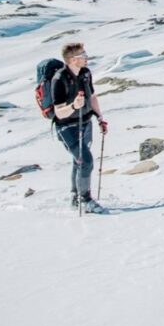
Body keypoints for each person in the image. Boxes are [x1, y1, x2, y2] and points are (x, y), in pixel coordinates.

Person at [51, 42, 109, 213]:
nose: (86, 57)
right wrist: (74, 106)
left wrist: (100, 117)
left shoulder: (85, 73)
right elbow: (59, 112)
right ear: (71, 60)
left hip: (85, 123)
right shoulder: (59, 79)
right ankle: (85, 200)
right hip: (66, 128)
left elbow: (92, 97)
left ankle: (75, 196)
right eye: (82, 55)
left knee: (79, 161)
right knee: (86, 161)